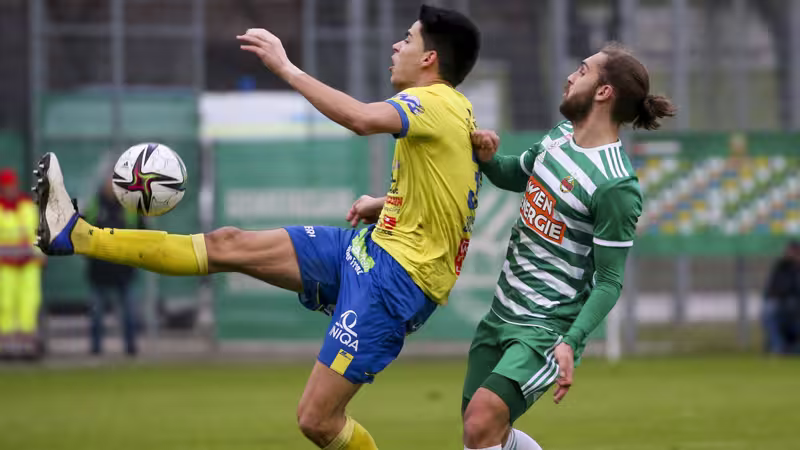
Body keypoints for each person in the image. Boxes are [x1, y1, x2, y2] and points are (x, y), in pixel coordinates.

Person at [33, 5, 481, 449]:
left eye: (408, 39)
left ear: (429, 58)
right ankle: (78, 235)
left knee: (317, 420)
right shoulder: (457, 113)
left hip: (395, 280)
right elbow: (449, 197)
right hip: (373, 247)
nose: (396, 45)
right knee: (228, 243)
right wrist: (385, 204)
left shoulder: (432, 101)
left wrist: (286, 68)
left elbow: (361, 119)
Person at [462, 43, 675, 450]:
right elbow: (515, 174)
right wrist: (488, 159)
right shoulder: (559, 136)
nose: (570, 77)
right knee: (482, 434)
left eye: (582, 70)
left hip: (547, 327)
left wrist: (571, 340)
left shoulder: (615, 185)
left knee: (480, 422)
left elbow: (609, 281)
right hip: (501, 312)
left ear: (603, 92)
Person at [83, 177, 146, 357]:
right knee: (96, 314)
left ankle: (130, 348)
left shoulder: (130, 208)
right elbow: (83, 232)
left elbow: (142, 233)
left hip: (124, 270)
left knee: (129, 313)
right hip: (99, 271)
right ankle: (96, 349)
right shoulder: (95, 205)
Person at [0, 168, 42, 359]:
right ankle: (7, 348)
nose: (10, 189)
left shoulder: (27, 206)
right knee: (5, 304)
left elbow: (37, 234)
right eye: (6, 185)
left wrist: (39, 255)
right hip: (5, 265)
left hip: (28, 264)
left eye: (11, 185)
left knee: (28, 304)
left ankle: (27, 347)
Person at [763, 240, 800, 355]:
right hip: (782, 302)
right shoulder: (781, 266)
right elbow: (773, 287)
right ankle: (778, 347)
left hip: (794, 304)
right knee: (769, 311)